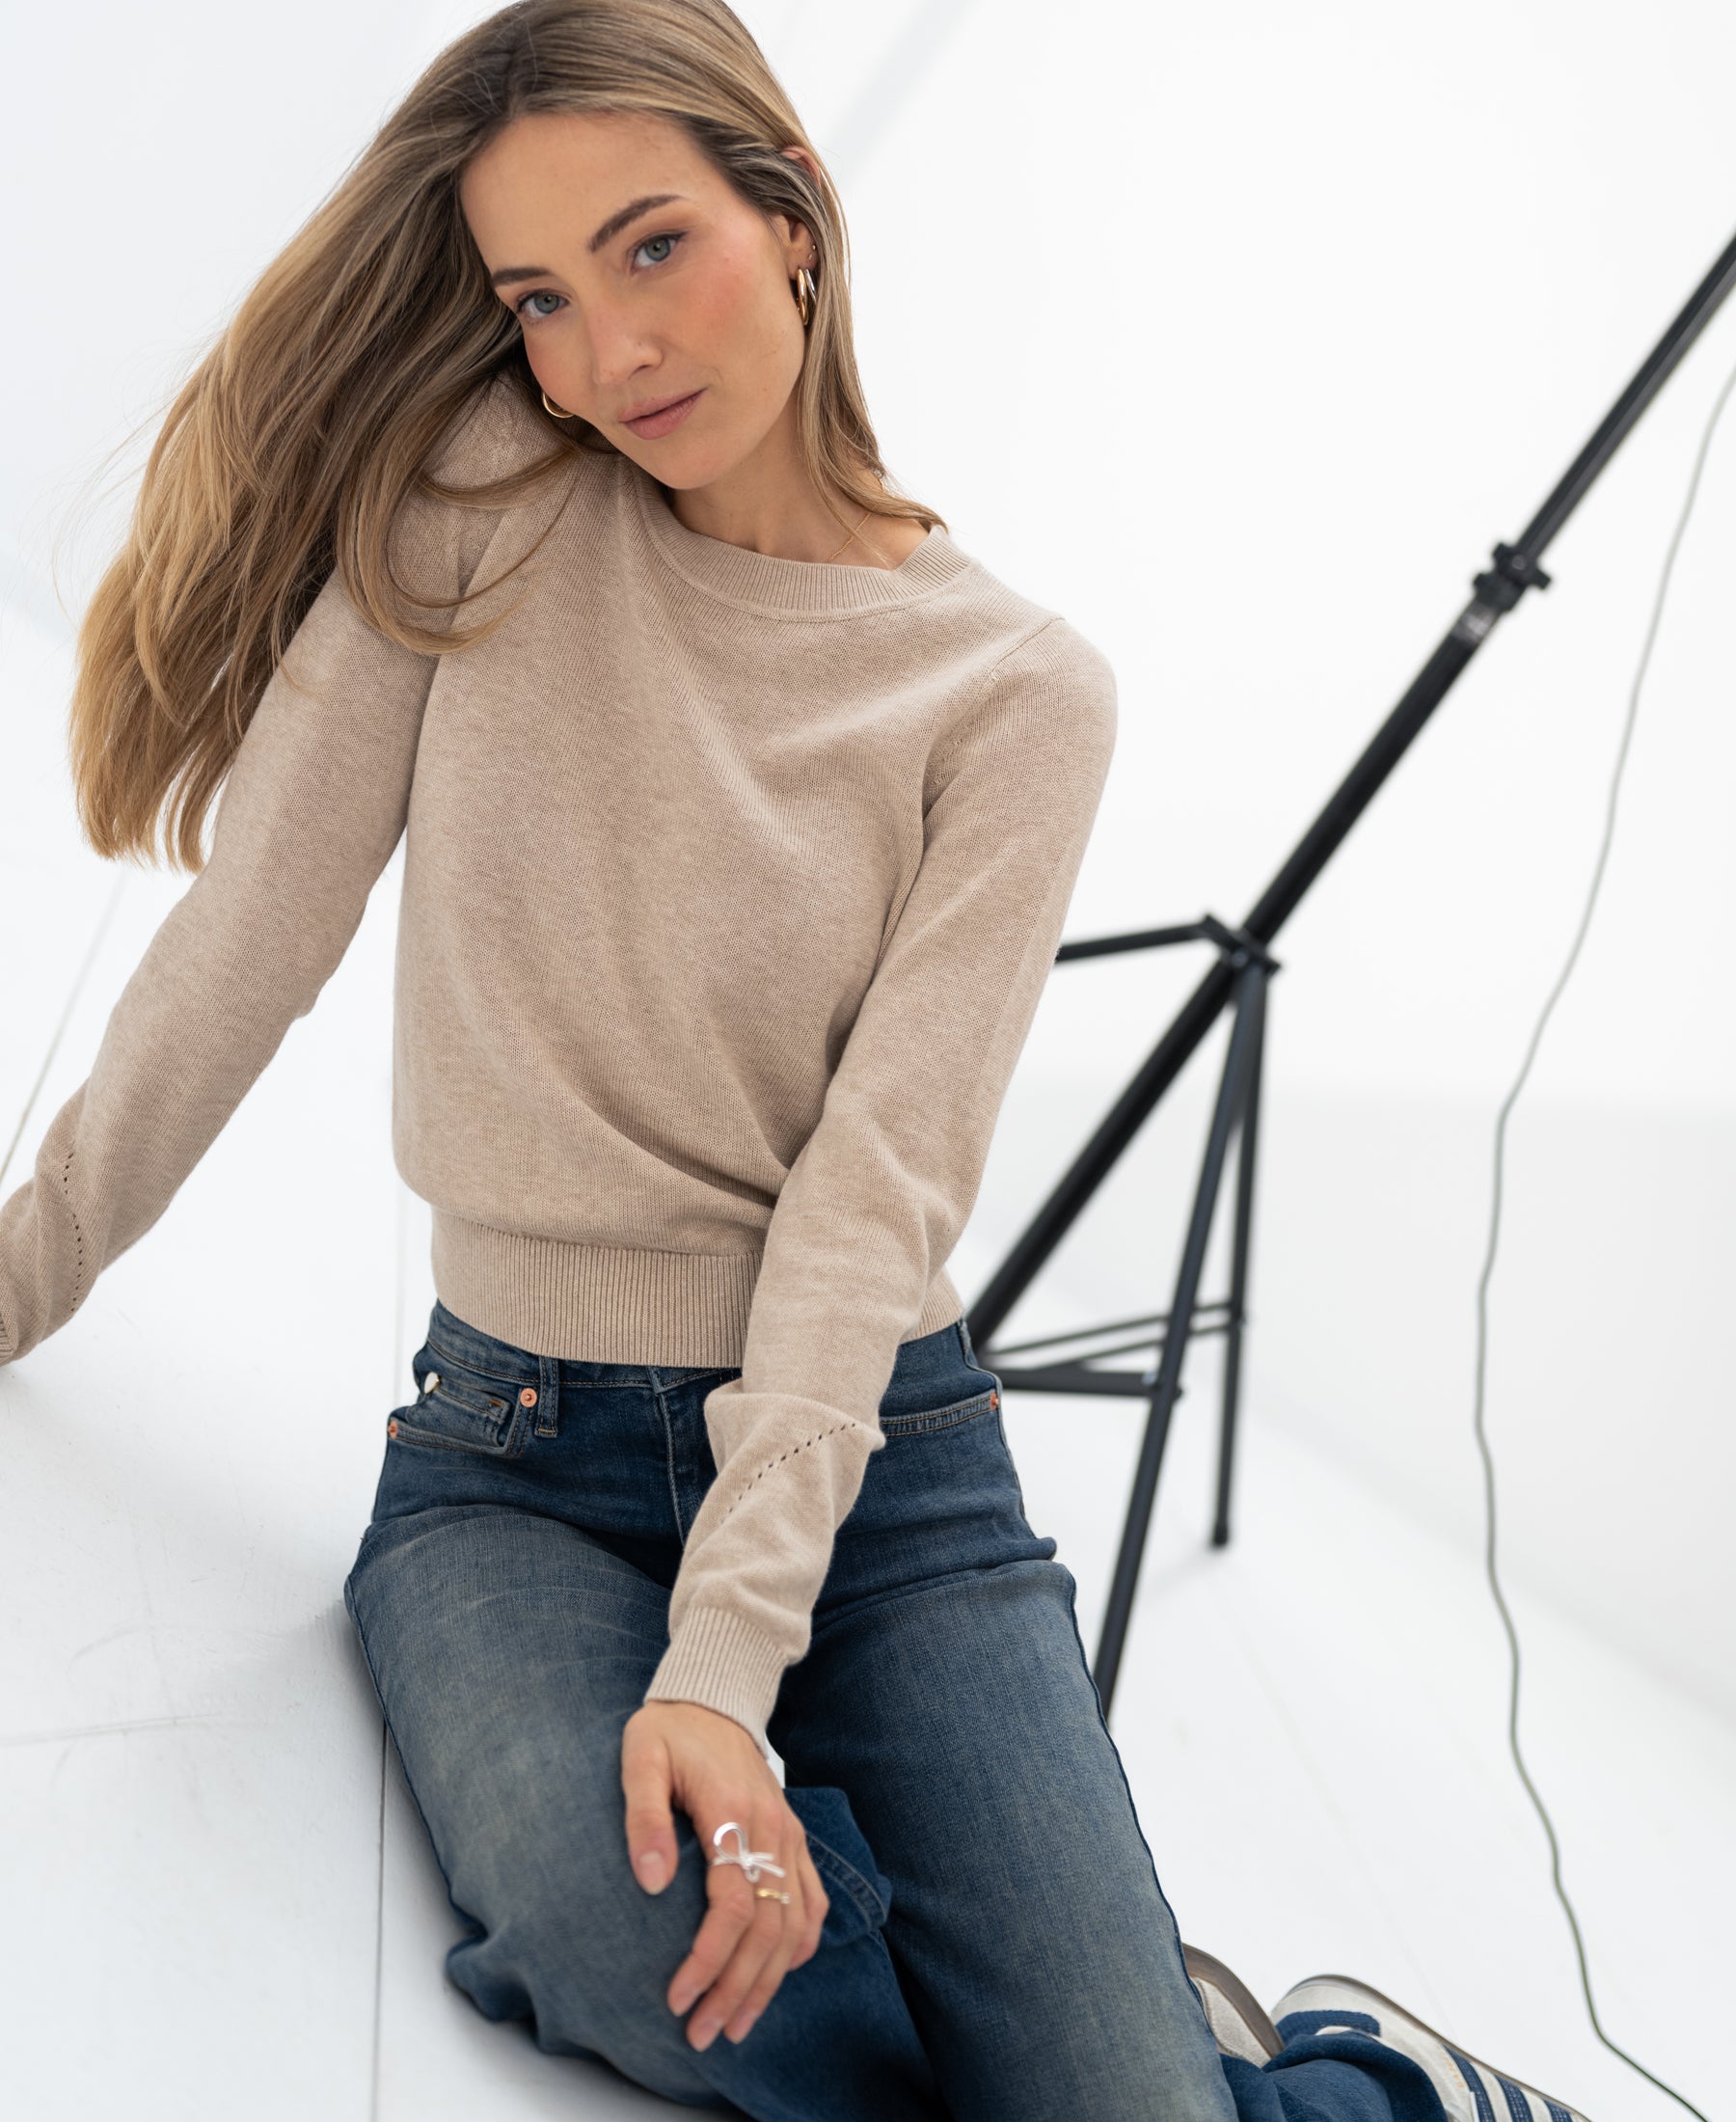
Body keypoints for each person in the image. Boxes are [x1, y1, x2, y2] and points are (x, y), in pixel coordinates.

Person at [0, 4, 1595, 2118]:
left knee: (1111, 2094)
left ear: (798, 215)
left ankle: (1342, 2075)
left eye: (654, 248)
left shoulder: (1014, 691)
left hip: (888, 1480)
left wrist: (729, 1667)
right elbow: (250, 938)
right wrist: (22, 1268)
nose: (604, 353)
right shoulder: (481, 500)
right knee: (634, 1947)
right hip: (511, 1465)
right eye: (539, 298)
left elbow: (871, 1206)